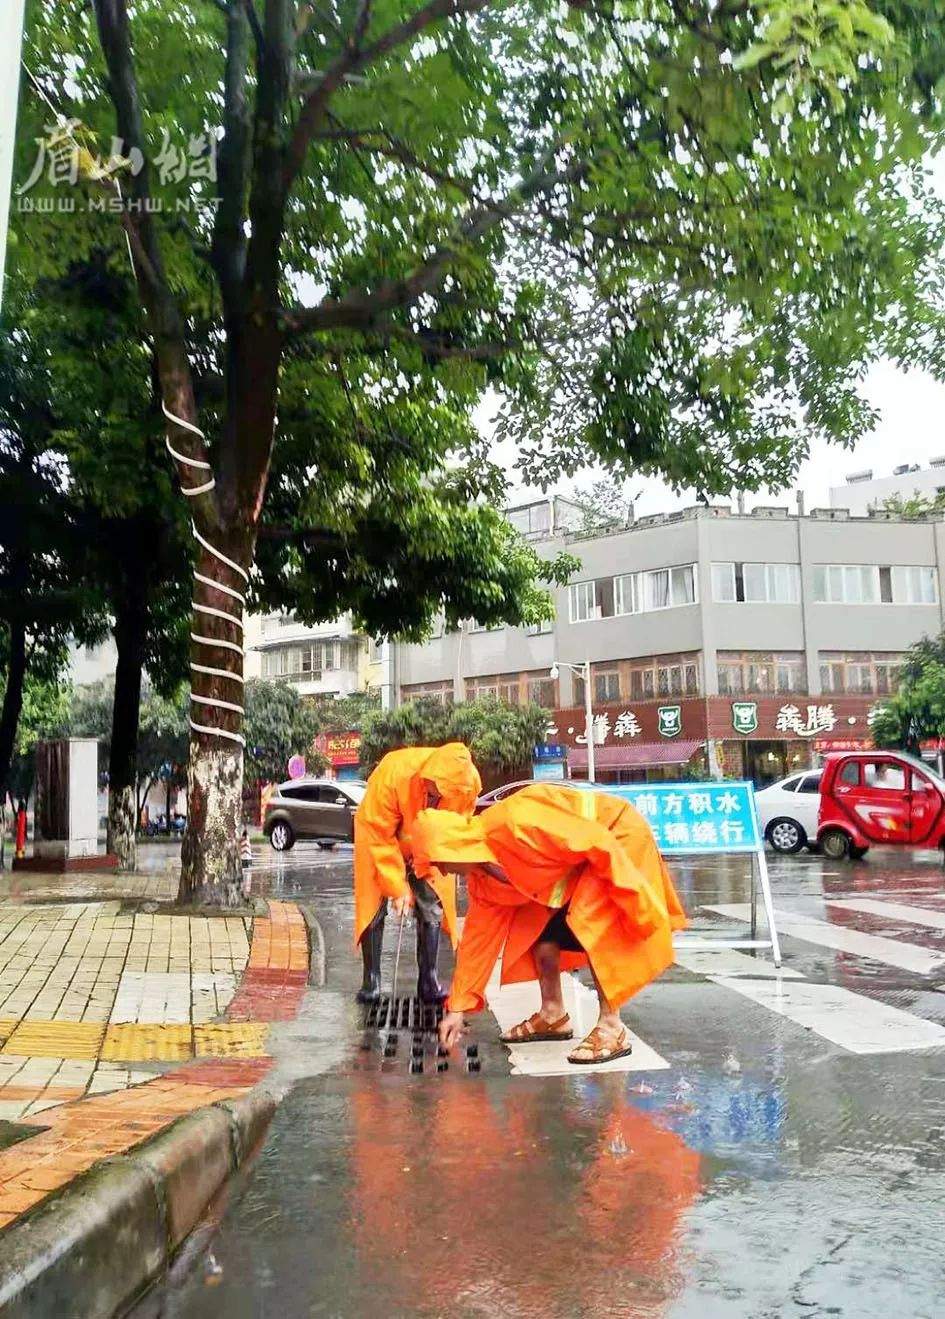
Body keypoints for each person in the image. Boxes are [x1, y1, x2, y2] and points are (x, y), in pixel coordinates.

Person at [412, 783, 686, 1065]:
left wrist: (638, 902)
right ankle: (553, 1014)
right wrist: (456, 1010)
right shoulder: (483, 879)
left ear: (455, 847)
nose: (442, 871)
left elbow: (598, 841)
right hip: (580, 859)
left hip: (616, 836)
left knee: (592, 923)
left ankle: (611, 1025)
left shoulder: (517, 823)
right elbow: (477, 941)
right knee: (540, 934)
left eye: (438, 860)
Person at [354, 743, 482, 1005]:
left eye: (444, 793)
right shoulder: (394, 771)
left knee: (431, 903)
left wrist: (427, 856)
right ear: (428, 774)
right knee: (374, 902)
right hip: (381, 837)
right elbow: (378, 831)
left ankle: (429, 980)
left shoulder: (468, 783)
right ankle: (371, 980)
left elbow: (457, 825)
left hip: (430, 844)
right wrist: (398, 886)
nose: (436, 797)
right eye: (434, 789)